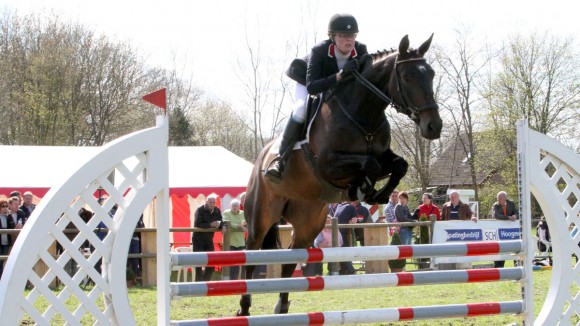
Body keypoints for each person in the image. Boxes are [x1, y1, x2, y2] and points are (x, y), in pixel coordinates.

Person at [265, 13, 368, 182]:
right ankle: (280, 160)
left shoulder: (361, 50)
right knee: (300, 109)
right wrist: (340, 75)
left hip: (337, 89)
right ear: (333, 37)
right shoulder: (319, 50)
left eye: (352, 35)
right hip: (308, 83)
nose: (348, 40)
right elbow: (313, 86)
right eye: (343, 35)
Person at [192, 195, 223, 281]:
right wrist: (210, 225)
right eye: (210, 202)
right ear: (206, 202)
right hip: (198, 238)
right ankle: (198, 284)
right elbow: (197, 224)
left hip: (209, 239)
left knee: (211, 261)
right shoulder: (200, 210)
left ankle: (205, 282)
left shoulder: (217, 210)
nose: (212, 204)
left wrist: (221, 226)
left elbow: (221, 221)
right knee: (198, 262)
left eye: (214, 202)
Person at [492, 191, 519, 268]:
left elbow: (517, 213)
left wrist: (515, 216)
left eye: (500, 198)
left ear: (505, 198)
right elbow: (496, 215)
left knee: (514, 248)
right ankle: (498, 267)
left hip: (511, 232)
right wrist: (508, 218)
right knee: (501, 249)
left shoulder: (511, 204)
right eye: (498, 198)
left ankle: (517, 265)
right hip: (499, 232)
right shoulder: (495, 205)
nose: (498, 200)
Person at [222, 199, 247, 280]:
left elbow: (245, 223)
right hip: (230, 242)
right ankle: (232, 282)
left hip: (241, 242)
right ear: (230, 206)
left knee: (244, 264)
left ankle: (244, 281)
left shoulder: (243, 213)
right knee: (233, 265)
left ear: (239, 206)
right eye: (233, 206)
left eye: (236, 206)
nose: (234, 208)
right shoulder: (226, 213)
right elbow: (228, 223)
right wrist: (239, 227)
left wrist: (242, 226)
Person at [334, 201, 358, 275]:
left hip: (335, 232)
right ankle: (350, 270)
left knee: (341, 251)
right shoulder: (351, 207)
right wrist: (350, 222)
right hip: (344, 232)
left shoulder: (339, 206)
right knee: (345, 251)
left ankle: (343, 270)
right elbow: (354, 221)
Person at [0, 199, 15, 279]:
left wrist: (9, 215)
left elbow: (12, 226)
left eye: (6, 206)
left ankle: (2, 278)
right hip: (0, 241)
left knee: (3, 261)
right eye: (3, 206)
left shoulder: (8, 216)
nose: (5, 208)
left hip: (6, 242)